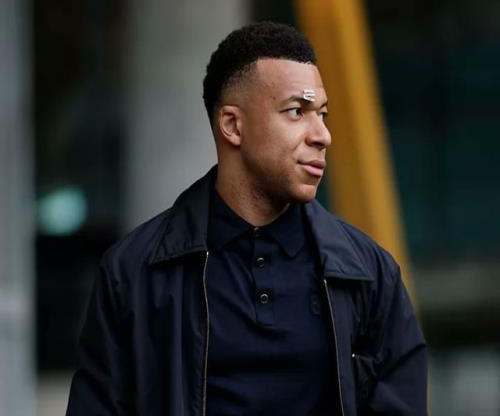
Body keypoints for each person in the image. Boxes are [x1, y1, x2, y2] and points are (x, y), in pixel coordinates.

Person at [66, 21, 427, 416]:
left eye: (322, 114)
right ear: (233, 126)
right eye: (297, 111)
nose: (322, 135)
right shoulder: (134, 275)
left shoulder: (369, 276)